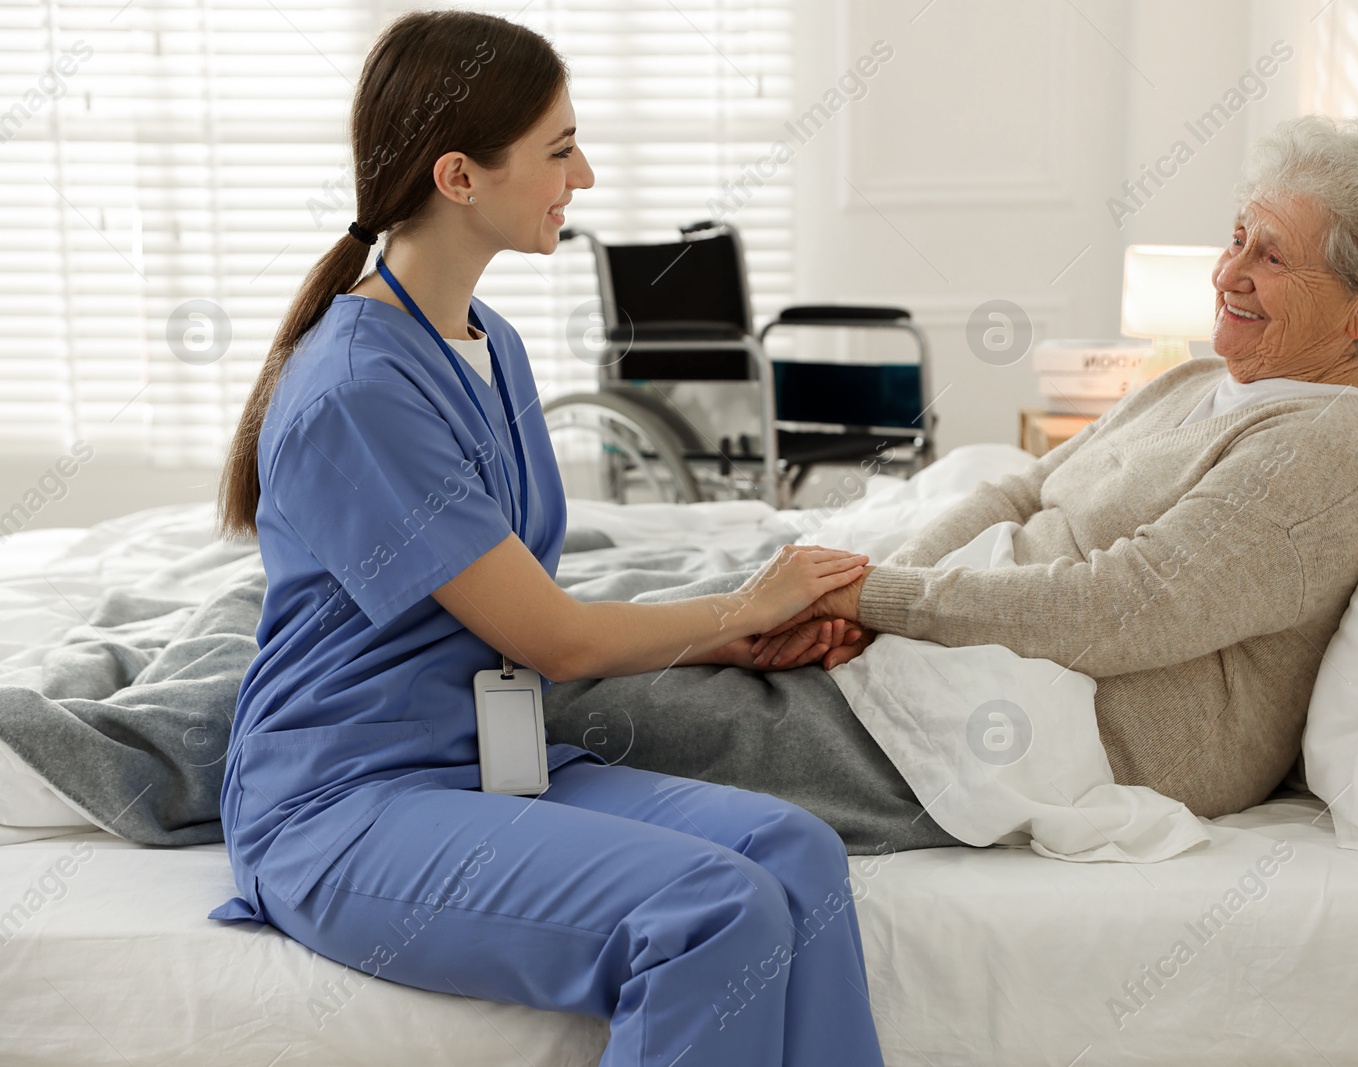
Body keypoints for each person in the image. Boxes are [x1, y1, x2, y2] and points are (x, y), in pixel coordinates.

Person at [207, 11, 886, 1067]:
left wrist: (737, 639)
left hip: (481, 764)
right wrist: (738, 608)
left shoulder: (492, 344)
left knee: (792, 850)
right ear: (459, 176)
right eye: (561, 149)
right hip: (343, 803)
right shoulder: (356, 388)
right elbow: (556, 637)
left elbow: (518, 606)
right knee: (710, 905)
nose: (589, 174)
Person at [546, 113, 1358, 838]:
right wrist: (860, 595)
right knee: (606, 597)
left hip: (1068, 722)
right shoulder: (1202, 380)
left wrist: (872, 599)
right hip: (964, 627)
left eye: (1272, 254)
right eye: (1236, 236)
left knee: (595, 699)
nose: (1230, 269)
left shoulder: (1335, 446)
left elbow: (1118, 609)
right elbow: (1019, 490)